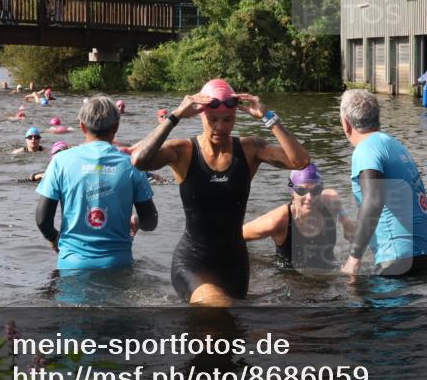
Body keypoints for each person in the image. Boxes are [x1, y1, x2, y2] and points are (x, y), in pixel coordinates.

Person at [130, 79, 310, 306]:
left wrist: (268, 117)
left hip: (235, 265)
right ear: (201, 115)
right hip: (193, 261)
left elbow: (301, 160)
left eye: (228, 119)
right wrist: (175, 115)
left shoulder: (249, 149)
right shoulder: (183, 151)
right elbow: (138, 160)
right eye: (212, 119)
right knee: (217, 307)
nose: (220, 127)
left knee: (230, 333)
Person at [36, 95, 157, 270]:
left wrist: (54, 238)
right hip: (118, 265)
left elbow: (42, 220)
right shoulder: (132, 165)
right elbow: (150, 221)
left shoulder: (60, 161)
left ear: (82, 126)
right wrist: (137, 222)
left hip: (72, 265)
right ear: (116, 126)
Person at [338, 89, 427, 277]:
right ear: (378, 118)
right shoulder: (395, 145)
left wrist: (354, 258)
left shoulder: (365, 150)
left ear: (346, 123)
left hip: (398, 261)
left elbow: (374, 201)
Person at [243, 163, 355, 270]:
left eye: (316, 190)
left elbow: (332, 193)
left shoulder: (329, 201)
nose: (310, 197)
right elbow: (236, 236)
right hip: (293, 280)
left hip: (329, 273)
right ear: (292, 190)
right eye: (301, 190)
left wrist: (346, 222)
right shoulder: (278, 220)